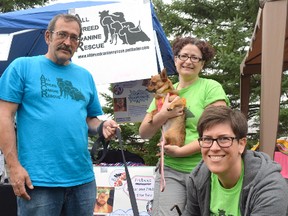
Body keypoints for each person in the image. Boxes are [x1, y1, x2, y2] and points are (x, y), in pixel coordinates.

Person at [0, 14, 119, 216]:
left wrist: (102, 126)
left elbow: (90, 119)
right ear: (48, 36)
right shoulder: (22, 67)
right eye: (62, 34)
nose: (67, 42)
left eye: (74, 37)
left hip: (82, 180)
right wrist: (13, 167)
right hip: (38, 181)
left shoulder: (85, 76)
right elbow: (4, 116)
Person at [139, 36, 229, 215]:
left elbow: (219, 132)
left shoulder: (211, 88)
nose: (188, 61)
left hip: (205, 170)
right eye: (183, 56)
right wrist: (163, 114)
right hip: (170, 171)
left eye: (195, 58)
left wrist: (182, 151)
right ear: (175, 59)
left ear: (202, 64)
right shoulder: (163, 92)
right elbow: (144, 133)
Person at [183, 106, 288, 215]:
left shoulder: (269, 188)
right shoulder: (198, 178)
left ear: (241, 144)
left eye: (224, 139)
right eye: (207, 139)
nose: (214, 148)